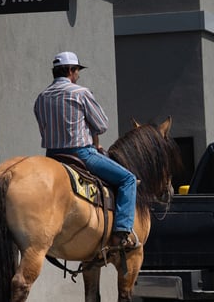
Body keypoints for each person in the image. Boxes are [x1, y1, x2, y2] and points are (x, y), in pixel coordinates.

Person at [34, 51, 140, 250]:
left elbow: (43, 129)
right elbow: (102, 125)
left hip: (52, 157)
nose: (78, 75)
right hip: (81, 154)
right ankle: (122, 233)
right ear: (70, 70)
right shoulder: (81, 93)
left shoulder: (41, 98)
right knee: (128, 180)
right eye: (77, 71)